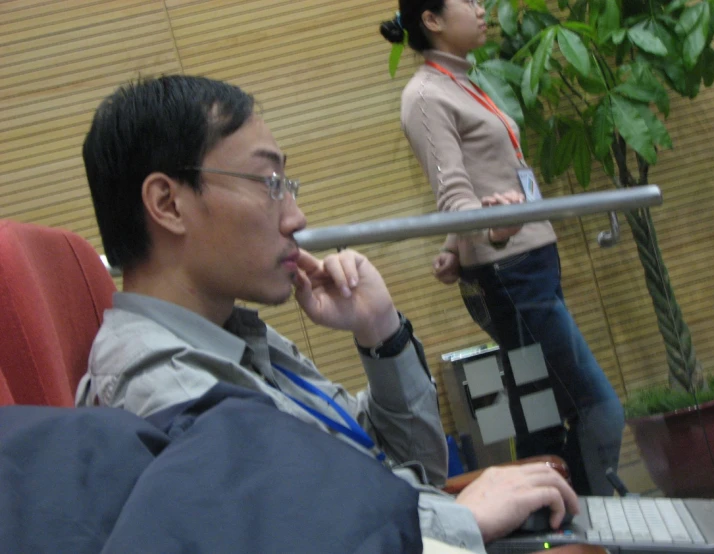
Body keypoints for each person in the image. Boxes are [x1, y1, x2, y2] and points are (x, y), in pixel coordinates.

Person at [75, 75, 578, 553]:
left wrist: (381, 335)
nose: (296, 217)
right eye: (269, 183)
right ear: (168, 204)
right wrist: (460, 523)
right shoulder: (168, 386)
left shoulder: (232, 337)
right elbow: (319, 535)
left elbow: (415, 467)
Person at [380, 0, 625, 496]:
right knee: (599, 408)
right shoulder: (425, 94)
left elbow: (476, 181)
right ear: (431, 20)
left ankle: (546, 532)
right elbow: (454, 196)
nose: (480, 8)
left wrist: (456, 244)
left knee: (543, 418)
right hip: (513, 274)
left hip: (528, 263)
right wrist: (490, 232)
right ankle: (604, 527)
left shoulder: (461, 81)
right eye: (466, 2)